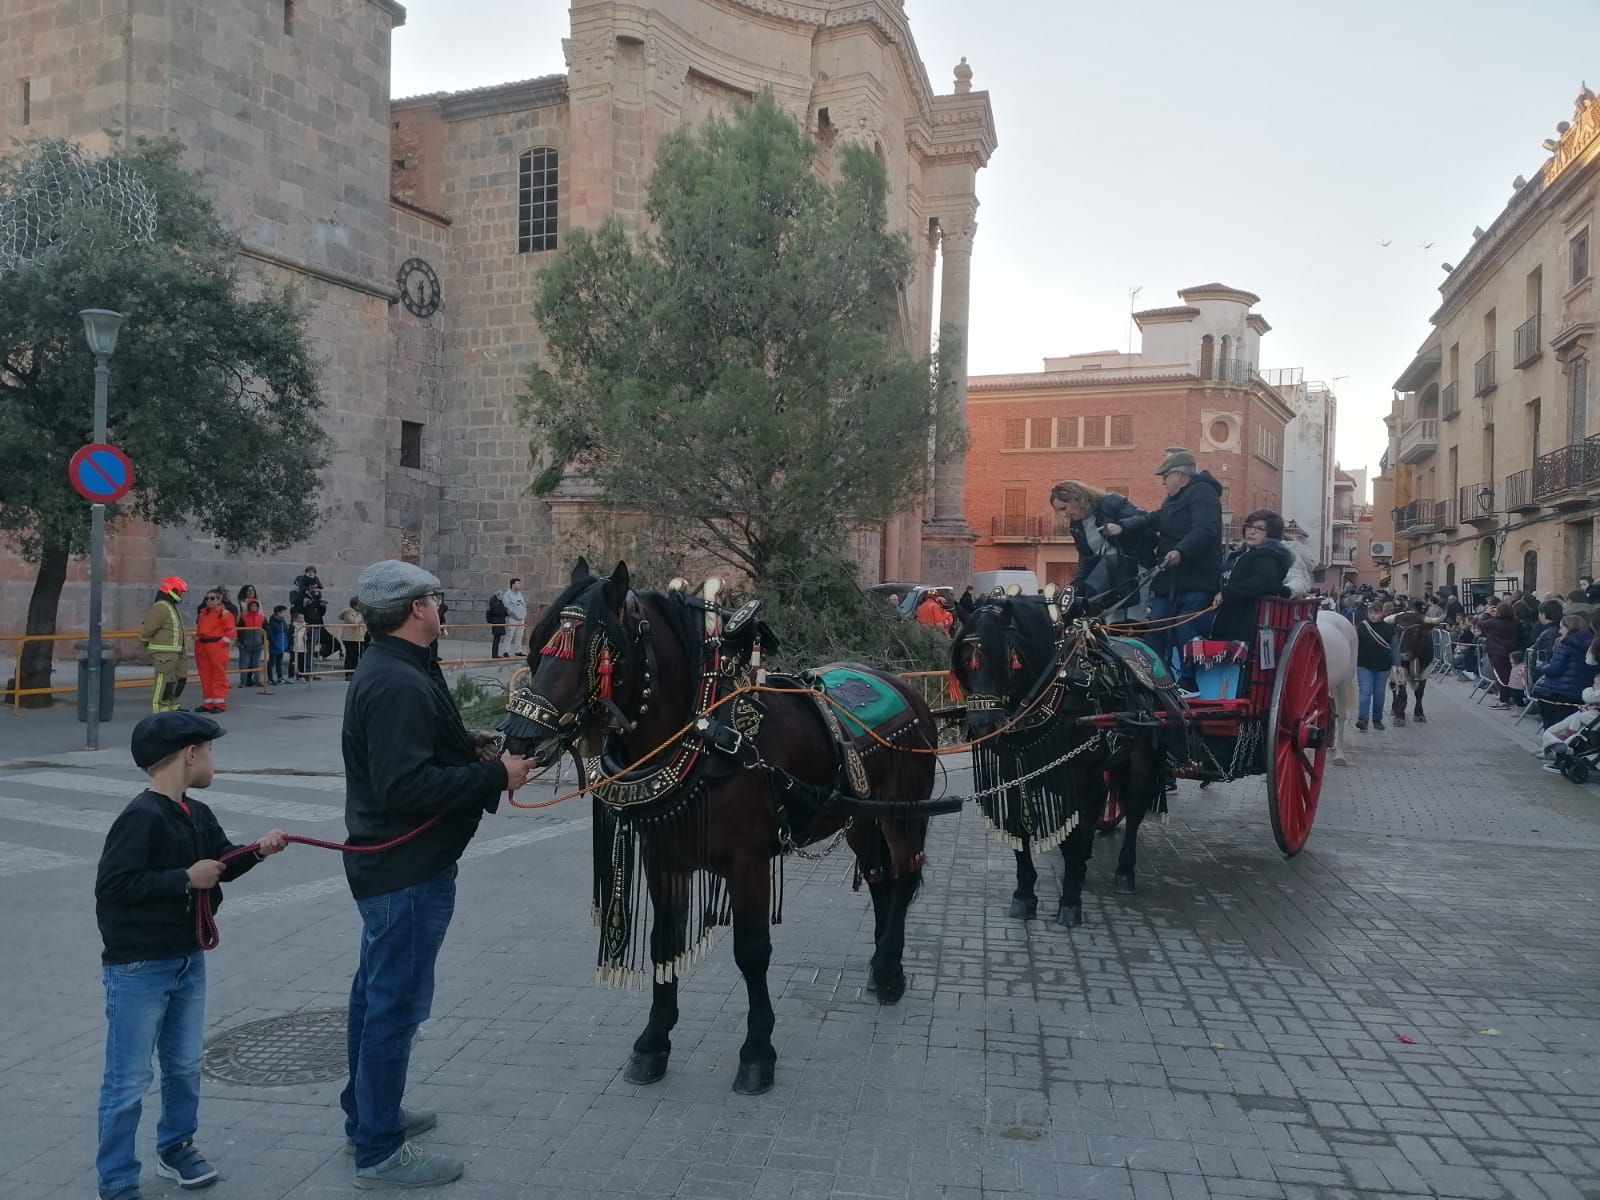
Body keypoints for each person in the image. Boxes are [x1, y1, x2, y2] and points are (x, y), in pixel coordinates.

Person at [339, 561, 534, 1188]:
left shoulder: (403, 666)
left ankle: (367, 1113)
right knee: (393, 1008)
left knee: (373, 996)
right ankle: (378, 1150)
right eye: (435, 598)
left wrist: (471, 746)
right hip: (405, 870)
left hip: (400, 866)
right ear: (414, 608)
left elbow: (420, 751)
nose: (442, 606)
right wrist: (495, 776)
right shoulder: (395, 680)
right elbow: (404, 785)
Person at [94, 712, 288, 1200]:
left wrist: (259, 851)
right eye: (211, 751)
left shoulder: (195, 813)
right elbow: (113, 887)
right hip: (139, 968)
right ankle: (116, 1180)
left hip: (186, 961)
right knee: (129, 1078)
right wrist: (182, 878)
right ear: (190, 755)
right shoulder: (140, 817)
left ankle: (176, 1147)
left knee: (183, 1065)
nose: (213, 760)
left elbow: (220, 864)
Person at [1110, 448, 1224, 693]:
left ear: (1180, 476)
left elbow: (1206, 529)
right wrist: (1123, 527)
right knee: (1157, 626)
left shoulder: (1203, 494)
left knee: (1185, 624)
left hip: (1196, 578)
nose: (1162, 481)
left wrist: (1181, 551)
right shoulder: (1174, 500)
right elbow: (1152, 519)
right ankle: (1156, 680)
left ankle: (1188, 681)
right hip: (1170, 579)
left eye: (1165, 476)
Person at [1048, 479, 1152, 621]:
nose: (1063, 515)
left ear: (1076, 499)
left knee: (1135, 620)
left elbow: (1144, 518)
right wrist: (1076, 587)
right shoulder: (1076, 526)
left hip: (1136, 571)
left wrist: (1121, 527)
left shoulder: (1111, 502)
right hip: (1111, 579)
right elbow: (1085, 558)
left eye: (1064, 508)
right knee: (1112, 623)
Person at [1211, 510, 1294, 644]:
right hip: (1226, 615)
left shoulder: (1266, 556)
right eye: (1249, 526)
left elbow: (1265, 581)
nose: (1251, 531)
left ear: (1271, 534)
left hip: (1242, 622)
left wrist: (1226, 594)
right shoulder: (1243, 554)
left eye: (1260, 529)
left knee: (1186, 627)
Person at [1530, 614, 1594, 728]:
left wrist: (1543, 666)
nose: (1559, 631)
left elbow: (1554, 669)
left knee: (1551, 726)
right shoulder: (1592, 645)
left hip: (1557, 692)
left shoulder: (1566, 644)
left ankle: (1550, 745)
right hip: (1580, 694)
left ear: (1569, 628)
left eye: (1561, 628)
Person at [138, 577, 190, 714]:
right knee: (164, 680)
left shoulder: (170, 606)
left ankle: (173, 705)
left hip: (177, 650)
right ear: (171, 590)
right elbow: (149, 627)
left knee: (180, 678)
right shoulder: (161, 606)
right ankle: (160, 709)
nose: (180, 595)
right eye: (179, 592)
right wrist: (144, 640)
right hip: (165, 651)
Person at [1354, 604, 1393, 731]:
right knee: (1365, 691)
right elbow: (1355, 644)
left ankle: (1377, 720)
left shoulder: (1389, 628)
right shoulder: (1362, 627)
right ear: (1368, 613)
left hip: (1383, 666)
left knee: (1379, 694)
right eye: (1371, 613)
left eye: (1376, 613)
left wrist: (1398, 665)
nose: (1373, 616)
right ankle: (1363, 719)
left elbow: (1395, 647)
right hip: (1364, 665)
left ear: (1382, 613)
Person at [1477, 602, 1520, 707]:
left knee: (1501, 676)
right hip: (1511, 652)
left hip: (1497, 652)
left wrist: (1486, 613)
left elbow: (1480, 623)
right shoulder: (1515, 622)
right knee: (1510, 674)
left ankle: (1504, 700)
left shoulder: (1494, 622)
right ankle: (1511, 696)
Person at [237, 599, 266, 688]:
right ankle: (243, 682)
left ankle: (257, 681)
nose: (253, 608)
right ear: (249, 608)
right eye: (252, 606)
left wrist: (264, 641)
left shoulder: (262, 618)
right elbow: (239, 631)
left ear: (257, 607)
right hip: (246, 644)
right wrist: (241, 642)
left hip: (258, 644)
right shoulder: (243, 618)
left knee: (256, 664)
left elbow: (266, 630)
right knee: (244, 664)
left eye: (255, 606)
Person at [338, 597, 366, 675]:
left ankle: (354, 672)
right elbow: (354, 623)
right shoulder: (349, 613)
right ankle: (347, 673)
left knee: (356, 656)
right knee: (350, 655)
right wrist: (359, 615)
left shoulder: (360, 613)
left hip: (359, 638)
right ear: (354, 605)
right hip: (349, 638)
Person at [501, 577, 528, 658]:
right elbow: (506, 606)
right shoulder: (507, 594)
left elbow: (522, 603)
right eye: (518, 583)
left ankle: (518, 651)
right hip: (512, 618)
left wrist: (524, 612)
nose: (519, 585)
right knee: (510, 635)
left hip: (521, 618)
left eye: (520, 583)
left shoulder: (519, 594)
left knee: (519, 635)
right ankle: (506, 651)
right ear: (513, 584)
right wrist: (513, 614)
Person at [266, 606, 291, 686]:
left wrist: (286, 645)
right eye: (283, 612)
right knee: (271, 663)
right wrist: (274, 644)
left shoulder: (283, 622)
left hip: (282, 646)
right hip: (275, 646)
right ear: (278, 613)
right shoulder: (272, 623)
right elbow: (270, 635)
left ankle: (280, 678)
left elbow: (286, 634)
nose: (285, 614)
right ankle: (270, 679)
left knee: (279, 663)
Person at [485, 590, 508, 659]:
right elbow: (497, 612)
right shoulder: (494, 603)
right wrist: (505, 609)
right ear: (497, 596)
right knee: (496, 639)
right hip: (497, 622)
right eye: (501, 595)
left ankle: (495, 654)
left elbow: (502, 612)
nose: (502, 597)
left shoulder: (499, 602)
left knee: (497, 639)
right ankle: (494, 655)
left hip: (500, 622)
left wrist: (506, 612)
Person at [291, 611, 311, 680]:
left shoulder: (307, 626)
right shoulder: (292, 626)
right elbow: (289, 636)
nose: (301, 619)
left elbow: (310, 636)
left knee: (301, 662)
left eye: (303, 618)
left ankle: (301, 675)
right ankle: (291, 676)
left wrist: (307, 637)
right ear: (295, 619)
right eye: (299, 618)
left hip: (303, 647)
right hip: (294, 647)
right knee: (293, 662)